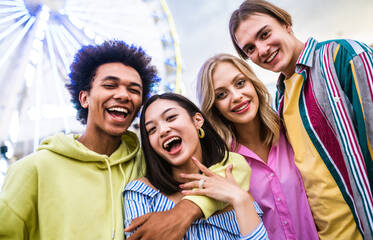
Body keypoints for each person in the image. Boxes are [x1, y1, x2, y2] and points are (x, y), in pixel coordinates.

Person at [0, 40, 245, 240]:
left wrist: (187, 211)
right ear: (84, 98)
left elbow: (236, 166)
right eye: (110, 85)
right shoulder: (34, 169)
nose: (123, 95)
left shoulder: (146, 160)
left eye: (134, 90)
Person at [229, 0, 373, 240]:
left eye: (264, 34)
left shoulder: (342, 56)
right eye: (250, 49)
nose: (262, 50)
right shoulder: (281, 99)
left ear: (285, 23)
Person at [196, 53, 318, 240]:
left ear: (253, 83)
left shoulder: (291, 130)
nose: (236, 96)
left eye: (240, 83)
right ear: (214, 106)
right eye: (221, 94)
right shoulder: (221, 164)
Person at [123, 92, 268, 239]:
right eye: (152, 129)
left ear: (197, 120)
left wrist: (239, 198)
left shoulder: (232, 175)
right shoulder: (141, 194)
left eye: (171, 117)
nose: (163, 130)